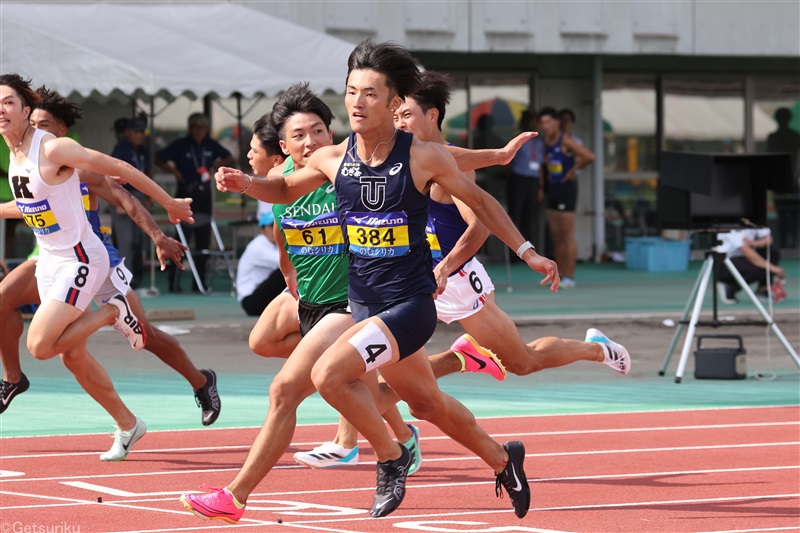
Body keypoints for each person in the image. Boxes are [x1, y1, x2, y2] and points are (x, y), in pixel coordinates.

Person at [212, 40, 558, 519]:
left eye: (370, 94)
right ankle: (504, 460)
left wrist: (528, 251)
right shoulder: (334, 158)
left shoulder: (423, 157)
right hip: (365, 304)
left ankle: (392, 457)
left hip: (411, 304)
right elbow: (285, 188)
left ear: (395, 104)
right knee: (426, 404)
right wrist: (247, 182)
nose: (357, 102)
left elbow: (482, 205)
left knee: (328, 376)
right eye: (352, 91)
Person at [294, 71, 630, 471]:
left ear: (432, 116)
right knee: (372, 369)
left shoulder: (443, 161)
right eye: (396, 115)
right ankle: (348, 441)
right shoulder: (383, 155)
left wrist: (448, 265)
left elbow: (479, 226)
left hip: (454, 286)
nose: (399, 122)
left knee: (521, 362)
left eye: (406, 115)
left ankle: (595, 348)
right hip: (405, 286)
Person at [181, 84, 424, 526]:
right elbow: (284, 235)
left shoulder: (347, 175)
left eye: (318, 131)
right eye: (299, 136)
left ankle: (236, 496)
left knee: (285, 390)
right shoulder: (283, 187)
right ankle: (422, 429)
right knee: (402, 392)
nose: (310, 142)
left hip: (351, 304)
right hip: (310, 303)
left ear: (332, 134)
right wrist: (290, 275)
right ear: (284, 146)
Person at [0, 86, 221, 426]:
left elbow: (127, 201)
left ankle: (201, 381)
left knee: (144, 336)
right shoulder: (21, 154)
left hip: (92, 259)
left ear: (60, 131)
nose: (37, 129)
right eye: (36, 122)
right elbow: (28, 205)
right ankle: (15, 379)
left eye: (45, 124)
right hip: (49, 255)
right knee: (9, 304)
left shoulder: (74, 161)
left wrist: (159, 235)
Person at [155, 113, 233, 292]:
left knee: (203, 242)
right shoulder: (181, 144)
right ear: (190, 128)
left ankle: (200, 283)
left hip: (204, 197)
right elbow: (158, 157)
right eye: (196, 127)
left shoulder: (210, 145)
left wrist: (215, 167)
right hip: (185, 195)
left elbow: (229, 155)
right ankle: (173, 282)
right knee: (181, 241)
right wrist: (175, 172)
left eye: (202, 128)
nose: (199, 131)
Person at [539, 106, 596, 289]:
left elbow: (589, 156)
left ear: (557, 122)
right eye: (542, 123)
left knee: (566, 235)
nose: (545, 126)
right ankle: (560, 275)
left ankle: (569, 276)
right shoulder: (547, 141)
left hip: (566, 190)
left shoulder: (566, 140)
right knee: (555, 235)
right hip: (552, 189)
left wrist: (573, 170)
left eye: (548, 122)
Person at [110, 115, 149, 288]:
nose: (139, 135)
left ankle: (135, 276)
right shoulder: (121, 150)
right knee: (124, 241)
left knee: (137, 240)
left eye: (142, 132)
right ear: (128, 133)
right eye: (136, 132)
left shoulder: (142, 151)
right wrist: (118, 201)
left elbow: (146, 174)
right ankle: (126, 280)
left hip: (138, 196)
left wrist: (147, 197)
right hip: (123, 196)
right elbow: (110, 177)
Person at [715, 227, 786, 304]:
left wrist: (753, 243)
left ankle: (762, 290)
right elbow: (747, 251)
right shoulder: (731, 225)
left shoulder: (753, 221)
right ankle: (730, 288)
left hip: (743, 259)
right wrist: (773, 269)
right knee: (758, 270)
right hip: (725, 263)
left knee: (772, 251)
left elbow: (768, 239)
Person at [236, 211, 285, 316]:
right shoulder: (258, 246)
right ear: (262, 230)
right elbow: (287, 262)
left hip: (259, 296)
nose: (276, 230)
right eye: (272, 226)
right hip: (251, 301)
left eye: (279, 226)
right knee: (285, 270)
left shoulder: (276, 244)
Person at [507, 109, 544, 247]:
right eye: (532, 120)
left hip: (533, 180)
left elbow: (541, 165)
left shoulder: (539, 142)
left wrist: (540, 186)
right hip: (519, 178)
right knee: (515, 214)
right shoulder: (518, 138)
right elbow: (507, 160)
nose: (535, 124)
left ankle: (528, 251)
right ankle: (512, 251)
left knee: (529, 216)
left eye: (537, 121)